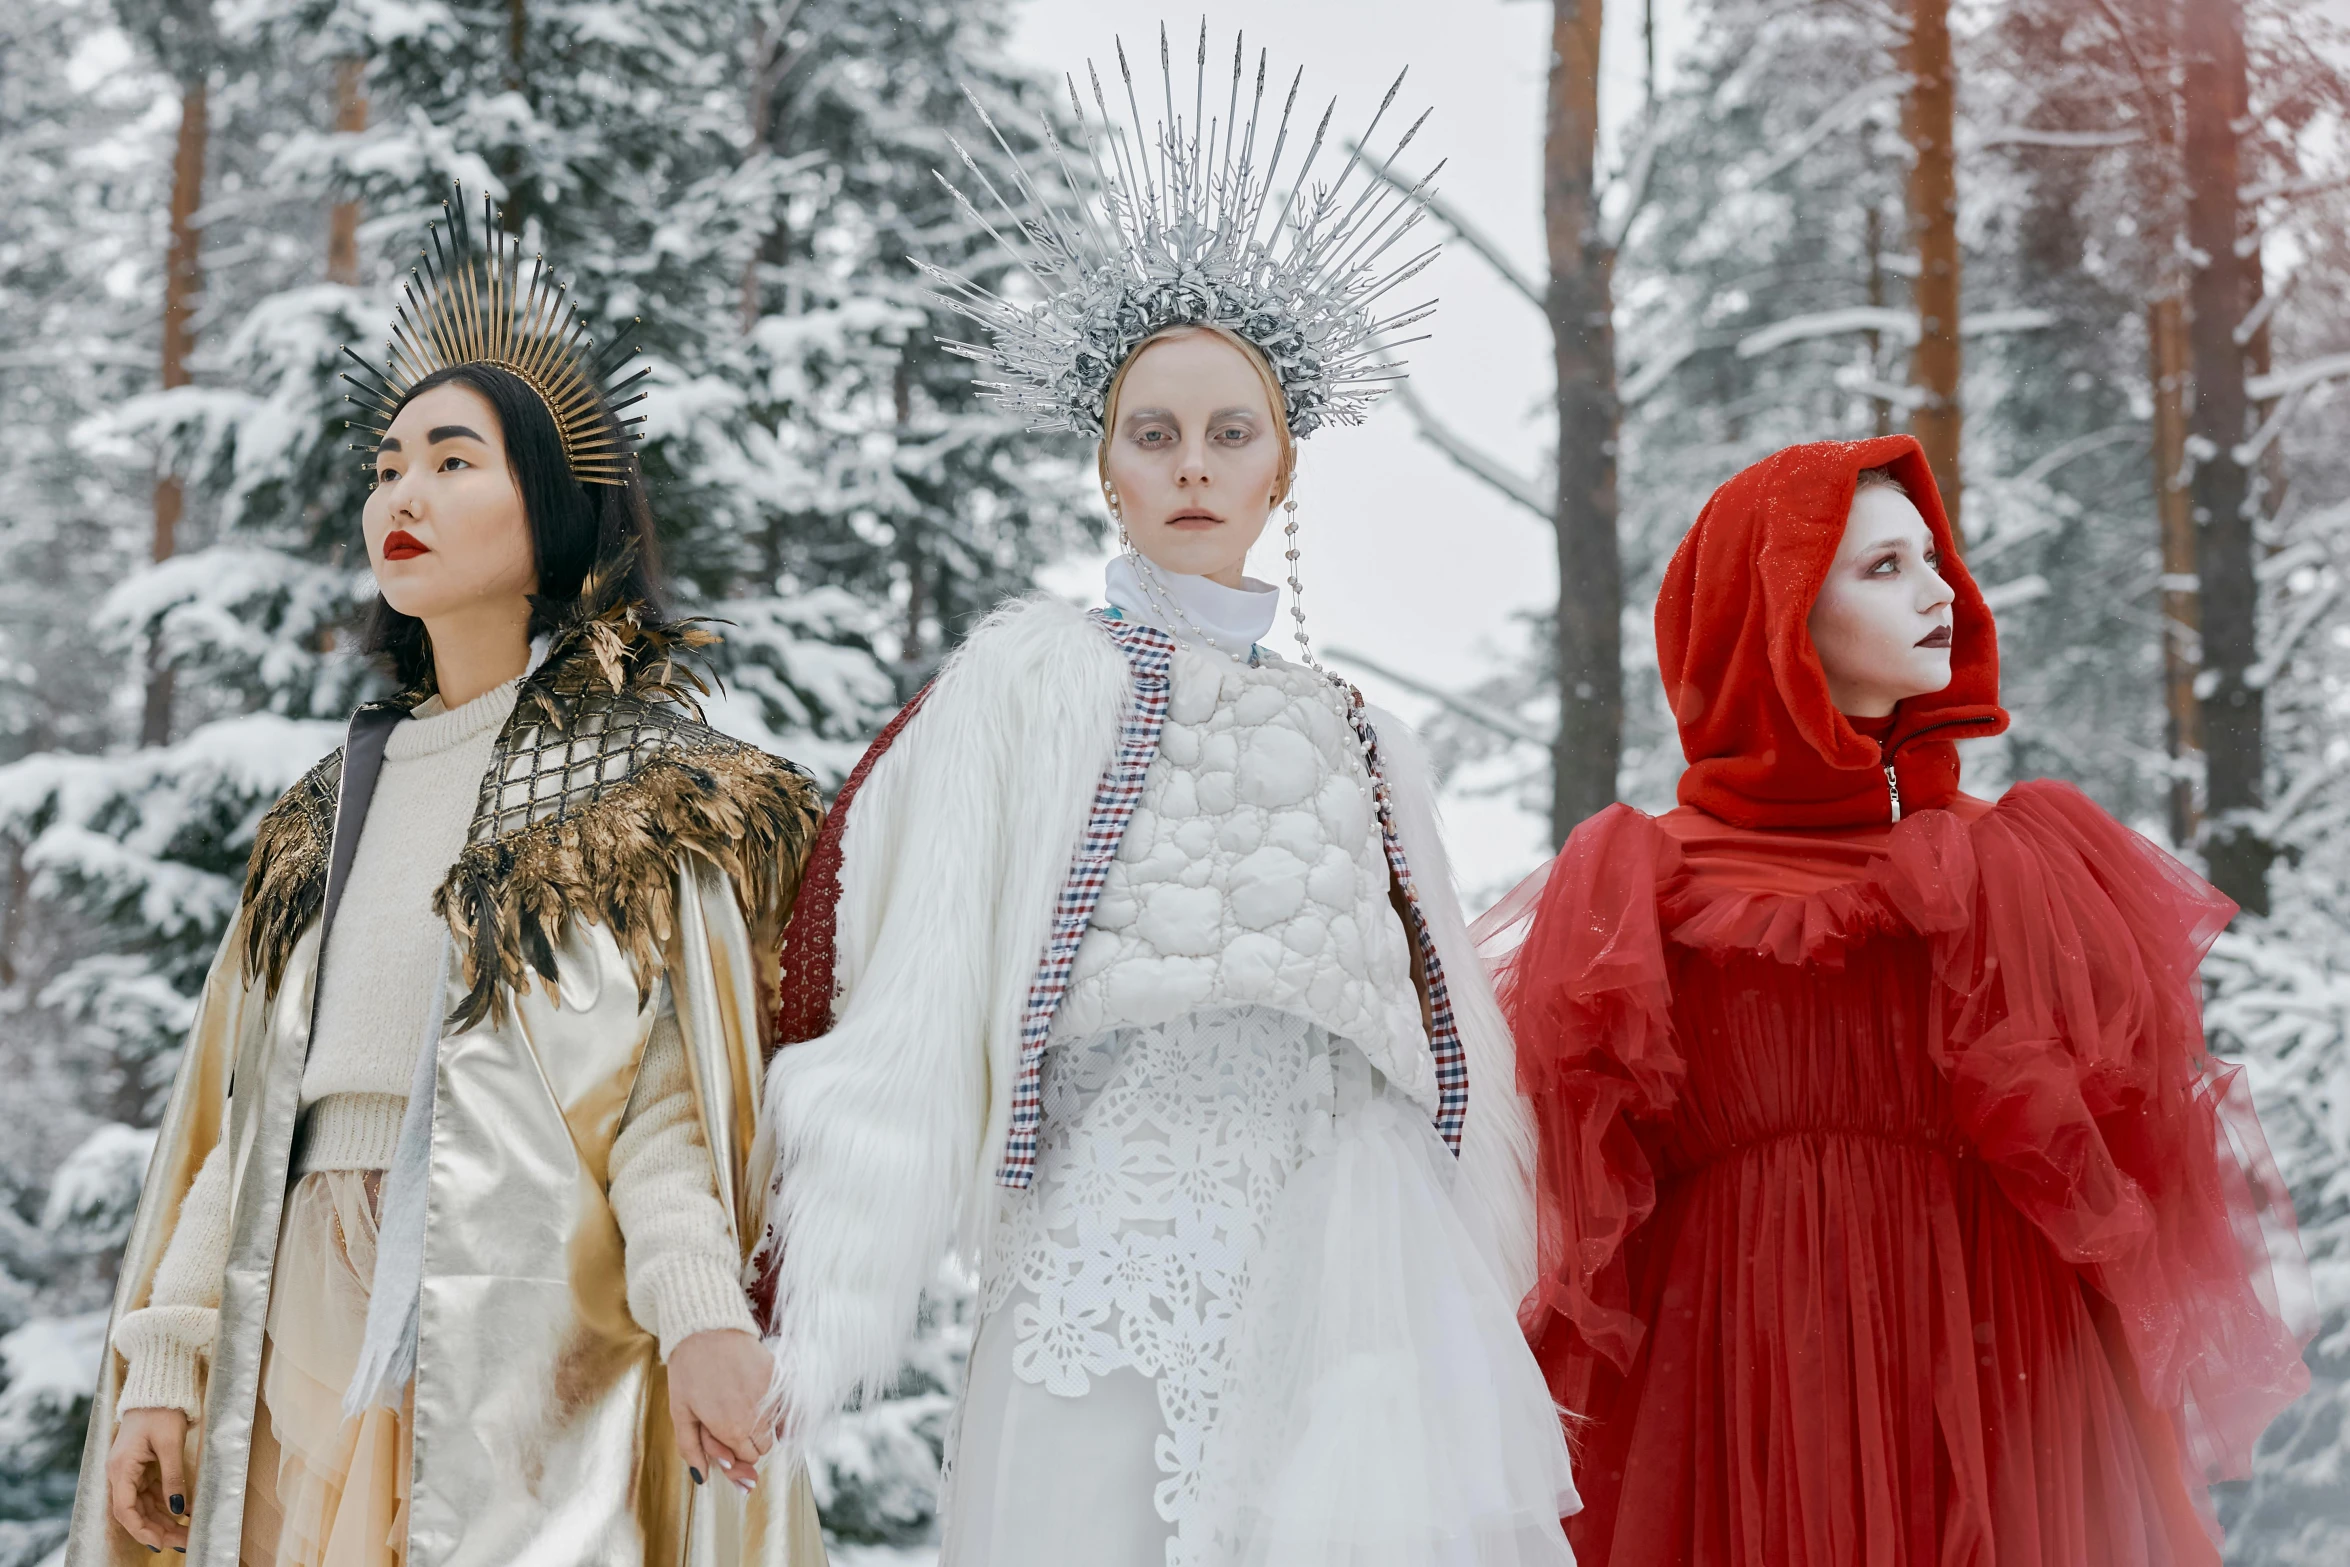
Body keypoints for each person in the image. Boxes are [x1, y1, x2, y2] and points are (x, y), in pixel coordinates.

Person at [748, 30, 1577, 1567]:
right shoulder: (1028, 683)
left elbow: (1449, 1027)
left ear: (1280, 472)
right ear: (1108, 472)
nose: (1192, 464)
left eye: (1229, 432)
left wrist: (1470, 1264)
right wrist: (806, 1290)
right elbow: (915, 982)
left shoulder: (1360, 732)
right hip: (1105, 1225)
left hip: (1347, 1250)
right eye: (1154, 433)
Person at [68, 192, 829, 1566]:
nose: (400, 495)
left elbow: (667, 1114)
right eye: (386, 463)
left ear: (553, 500)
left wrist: (706, 1311)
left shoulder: (650, 800)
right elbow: (242, 1124)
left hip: (523, 1345)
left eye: (452, 459)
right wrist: (169, 1366)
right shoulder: (322, 814)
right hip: (292, 1333)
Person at [1494, 435, 2311, 1567]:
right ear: (1772, 614)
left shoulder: (2020, 864)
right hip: (1748, 1384)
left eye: (1933, 559)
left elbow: (2127, 1176)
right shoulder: (1638, 883)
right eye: (1882, 567)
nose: (1940, 593)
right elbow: (1574, 1225)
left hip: (2002, 1381)